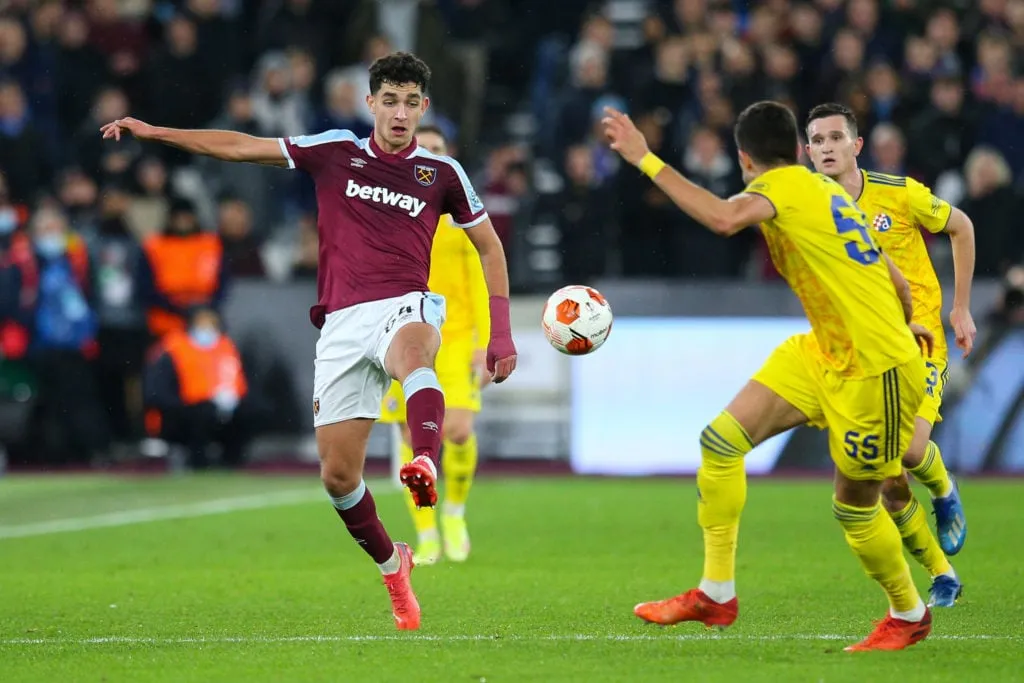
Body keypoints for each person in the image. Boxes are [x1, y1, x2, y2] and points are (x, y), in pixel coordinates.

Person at [101, 52, 518, 631]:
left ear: (424, 108)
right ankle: (392, 563)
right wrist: (157, 133)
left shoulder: (441, 174)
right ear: (370, 102)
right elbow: (241, 145)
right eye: (389, 101)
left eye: (410, 102)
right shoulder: (335, 151)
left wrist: (501, 332)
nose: (399, 114)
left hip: (405, 303)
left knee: (416, 354)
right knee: (338, 478)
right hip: (342, 323)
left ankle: (424, 460)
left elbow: (490, 248)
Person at [603, 101, 934, 652]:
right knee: (722, 442)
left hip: (874, 369)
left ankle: (909, 610)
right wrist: (908, 318)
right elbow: (895, 278)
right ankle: (716, 593)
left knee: (855, 504)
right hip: (825, 351)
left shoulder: (781, 188)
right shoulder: (823, 190)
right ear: (801, 150)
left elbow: (723, 219)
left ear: (744, 159)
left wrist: (645, 159)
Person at [805, 103, 975, 608]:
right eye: (817, 141)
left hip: (920, 340)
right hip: (863, 351)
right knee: (885, 480)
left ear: (856, 146)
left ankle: (944, 490)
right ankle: (942, 573)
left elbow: (961, 226)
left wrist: (960, 309)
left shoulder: (899, 194)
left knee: (910, 451)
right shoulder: (809, 207)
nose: (827, 148)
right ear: (807, 152)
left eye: (836, 138)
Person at [379, 125, 490, 566]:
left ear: (450, 157)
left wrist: (486, 341)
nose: (429, 155)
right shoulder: (391, 212)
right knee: (411, 436)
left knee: (458, 431)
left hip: (458, 337)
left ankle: (455, 514)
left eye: (437, 149)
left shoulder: (463, 217)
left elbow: (481, 283)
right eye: (422, 148)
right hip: (405, 336)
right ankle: (426, 532)